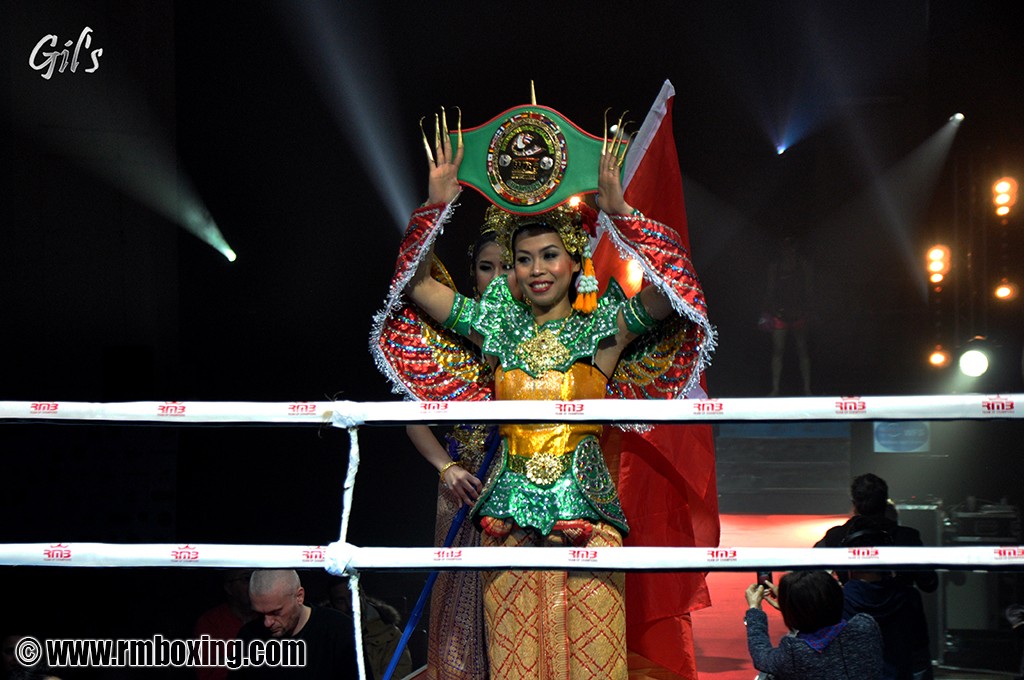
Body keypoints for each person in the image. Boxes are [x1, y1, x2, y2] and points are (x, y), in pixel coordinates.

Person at [373, 108, 713, 679]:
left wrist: (623, 215)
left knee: (593, 666)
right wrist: (435, 206)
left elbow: (677, 292)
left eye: (550, 255)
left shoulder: (604, 327)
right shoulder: (495, 328)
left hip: (589, 518)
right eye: (524, 259)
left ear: (575, 260)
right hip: (506, 524)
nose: (536, 269)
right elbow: (417, 287)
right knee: (516, 668)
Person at [403, 226, 513, 680]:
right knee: (456, 607)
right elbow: (413, 418)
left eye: (509, 266)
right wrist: (446, 467)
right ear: (472, 275)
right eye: (487, 268)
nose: (499, 278)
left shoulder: (546, 332)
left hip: (518, 491)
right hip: (461, 490)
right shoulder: (453, 331)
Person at [744, 570, 883, 679]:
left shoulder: (794, 652)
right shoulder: (866, 626)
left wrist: (754, 610)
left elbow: (761, 655)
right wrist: (792, 607)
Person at [815, 473, 938, 593]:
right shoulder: (908, 538)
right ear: (885, 503)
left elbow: (808, 572)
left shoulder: (835, 536)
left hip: (850, 611)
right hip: (897, 611)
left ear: (854, 503)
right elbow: (929, 584)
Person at [234, 569, 355, 678]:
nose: (267, 623)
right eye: (260, 614)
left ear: (299, 596)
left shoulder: (338, 631)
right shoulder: (249, 637)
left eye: (276, 612)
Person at [761, 236, 812, 396]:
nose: (788, 250)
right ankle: (775, 388)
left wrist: (809, 309)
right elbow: (770, 290)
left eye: (791, 246)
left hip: (799, 312)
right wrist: (766, 311)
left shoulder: (803, 264)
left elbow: (809, 289)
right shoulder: (775, 267)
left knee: (802, 349)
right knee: (778, 350)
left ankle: (807, 389)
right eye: (785, 246)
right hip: (779, 313)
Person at [195, 569, 255, 680]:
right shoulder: (210, 622)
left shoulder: (268, 617)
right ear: (228, 588)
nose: (253, 584)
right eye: (246, 579)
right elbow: (207, 674)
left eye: (255, 578)